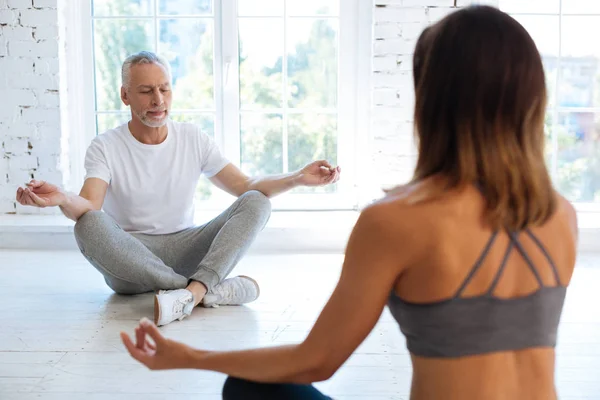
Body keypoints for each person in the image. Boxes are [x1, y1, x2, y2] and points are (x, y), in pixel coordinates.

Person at [119, 6, 579, 400]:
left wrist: (191, 357)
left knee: (249, 387)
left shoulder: (398, 221)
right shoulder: (560, 215)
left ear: (433, 100)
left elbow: (315, 360)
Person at [15, 51, 341, 327]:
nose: (158, 100)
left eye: (164, 89)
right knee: (88, 224)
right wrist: (60, 198)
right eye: (145, 91)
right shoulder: (105, 146)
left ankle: (192, 292)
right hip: (131, 260)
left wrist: (298, 177)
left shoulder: (192, 138)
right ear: (125, 95)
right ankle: (204, 290)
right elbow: (90, 205)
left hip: (187, 248)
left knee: (257, 201)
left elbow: (246, 186)